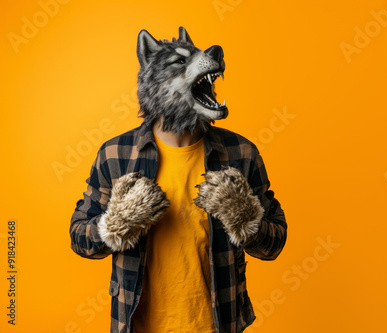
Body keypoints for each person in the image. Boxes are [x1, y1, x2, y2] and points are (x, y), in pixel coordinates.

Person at [69, 27, 287, 333]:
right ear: (152, 80)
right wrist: (116, 224)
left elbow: (273, 244)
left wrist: (245, 218)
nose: (206, 57)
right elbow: (79, 239)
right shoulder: (115, 154)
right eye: (180, 63)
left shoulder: (241, 152)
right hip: (139, 325)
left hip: (218, 324)